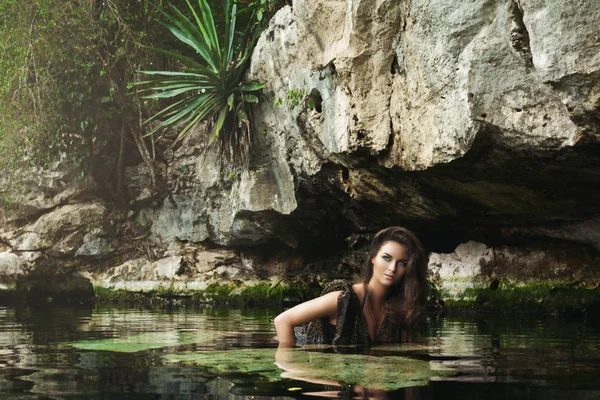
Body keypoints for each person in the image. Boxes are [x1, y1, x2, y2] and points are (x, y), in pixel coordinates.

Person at [274, 226, 428, 346]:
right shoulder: (344, 298)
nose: (392, 268)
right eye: (386, 258)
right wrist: (291, 366)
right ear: (373, 258)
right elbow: (282, 321)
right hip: (323, 372)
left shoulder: (396, 309)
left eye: (402, 263)